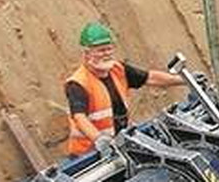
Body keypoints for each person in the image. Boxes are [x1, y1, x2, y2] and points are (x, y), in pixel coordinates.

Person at [64, 21, 186, 157]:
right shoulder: (78, 83)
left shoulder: (118, 69)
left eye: (109, 49)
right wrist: (98, 138)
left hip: (117, 145)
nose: (106, 54)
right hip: (88, 155)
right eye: (101, 50)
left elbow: (150, 78)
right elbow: (79, 117)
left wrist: (184, 80)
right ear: (87, 54)